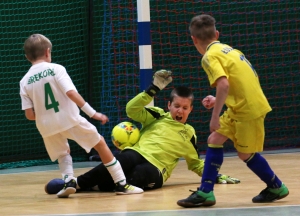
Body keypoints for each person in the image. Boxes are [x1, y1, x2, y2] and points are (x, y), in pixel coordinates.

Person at [45, 69, 240, 196]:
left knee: (139, 174)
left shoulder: (189, 133)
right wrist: (153, 89)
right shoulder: (156, 115)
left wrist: (215, 175)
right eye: (177, 106)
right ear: (169, 105)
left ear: (190, 110)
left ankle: (99, 185)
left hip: (157, 169)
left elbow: (195, 163)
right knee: (125, 159)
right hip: (138, 153)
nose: (180, 111)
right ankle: (77, 183)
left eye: (185, 108)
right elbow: (132, 109)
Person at [177, 14, 289, 208]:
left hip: (247, 110)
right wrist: (220, 100)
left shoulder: (209, 57)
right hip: (241, 105)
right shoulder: (227, 49)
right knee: (214, 140)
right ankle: (206, 192)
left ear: (194, 39)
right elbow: (237, 81)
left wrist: (214, 116)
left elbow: (223, 85)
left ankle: (276, 186)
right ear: (217, 34)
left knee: (245, 154)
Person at [19, 34, 143, 198]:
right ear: (48, 52)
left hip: (45, 126)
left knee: (63, 153)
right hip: (69, 118)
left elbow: (29, 115)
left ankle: (69, 181)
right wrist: (93, 113)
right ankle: (121, 183)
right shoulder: (57, 69)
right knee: (100, 144)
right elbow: (71, 93)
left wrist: (45, 115)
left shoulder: (24, 81)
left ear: (27, 57)